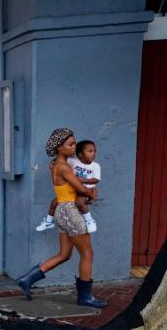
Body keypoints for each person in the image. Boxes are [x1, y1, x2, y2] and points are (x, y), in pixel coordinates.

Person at [16, 128, 107, 307]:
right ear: (59, 147)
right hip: (70, 211)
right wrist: (91, 194)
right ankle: (85, 297)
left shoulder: (55, 165)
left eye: (74, 144)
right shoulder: (64, 167)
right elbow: (79, 188)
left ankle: (27, 279)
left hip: (61, 211)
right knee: (87, 253)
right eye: (70, 144)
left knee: (65, 254)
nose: (74, 147)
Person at [36, 140, 100, 233]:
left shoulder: (95, 166)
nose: (93, 154)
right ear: (80, 154)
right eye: (90, 151)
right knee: (53, 203)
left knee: (80, 202)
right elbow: (59, 160)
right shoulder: (73, 162)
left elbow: (96, 180)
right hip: (73, 192)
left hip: (87, 189)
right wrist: (52, 162)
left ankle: (89, 221)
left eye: (94, 151)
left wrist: (85, 186)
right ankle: (48, 221)